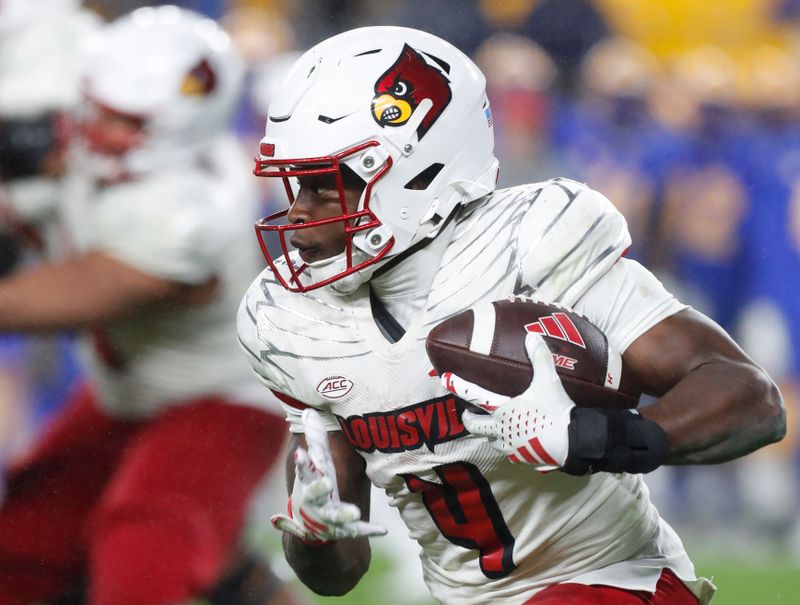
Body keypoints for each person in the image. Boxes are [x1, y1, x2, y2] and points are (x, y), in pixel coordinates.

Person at [236, 26, 786, 605]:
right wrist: (313, 536)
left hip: (612, 580)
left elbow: (752, 398)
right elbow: (338, 573)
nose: (298, 215)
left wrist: (598, 437)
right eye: (296, 185)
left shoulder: (533, 247)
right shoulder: (289, 321)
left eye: (325, 187)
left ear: (415, 170)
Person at [0, 6, 299, 605]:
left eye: (120, 120)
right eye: (95, 105)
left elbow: (61, 297)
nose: (91, 127)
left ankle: (235, 576)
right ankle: (238, 576)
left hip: (221, 399)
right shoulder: (88, 137)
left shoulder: (188, 212)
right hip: (123, 392)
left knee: (144, 553)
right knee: (25, 541)